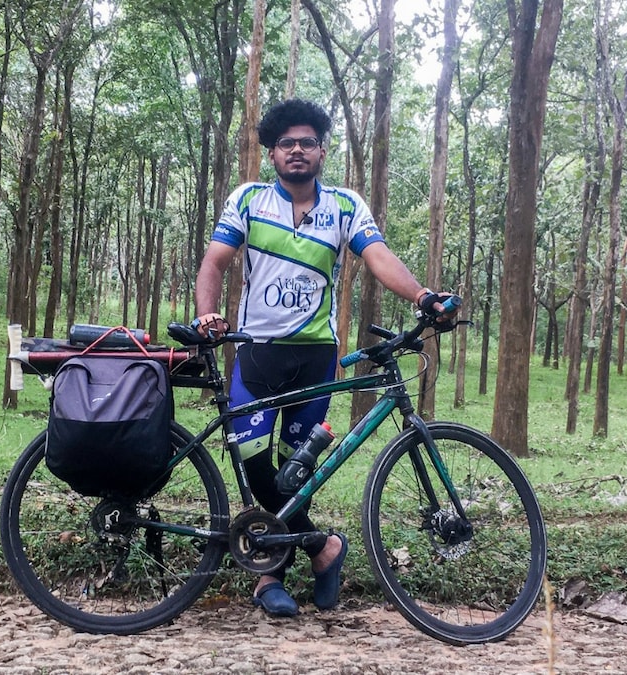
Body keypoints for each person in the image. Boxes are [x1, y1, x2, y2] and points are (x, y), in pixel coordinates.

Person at [193, 99, 456, 617]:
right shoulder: (247, 200)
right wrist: (207, 316)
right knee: (253, 458)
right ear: (272, 154)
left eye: (306, 142)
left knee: (300, 470)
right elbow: (215, 262)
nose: (296, 151)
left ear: (322, 151)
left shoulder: (344, 205)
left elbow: (377, 256)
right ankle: (322, 548)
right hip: (257, 352)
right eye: (287, 143)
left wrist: (423, 296)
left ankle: (268, 574)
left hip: (316, 356)